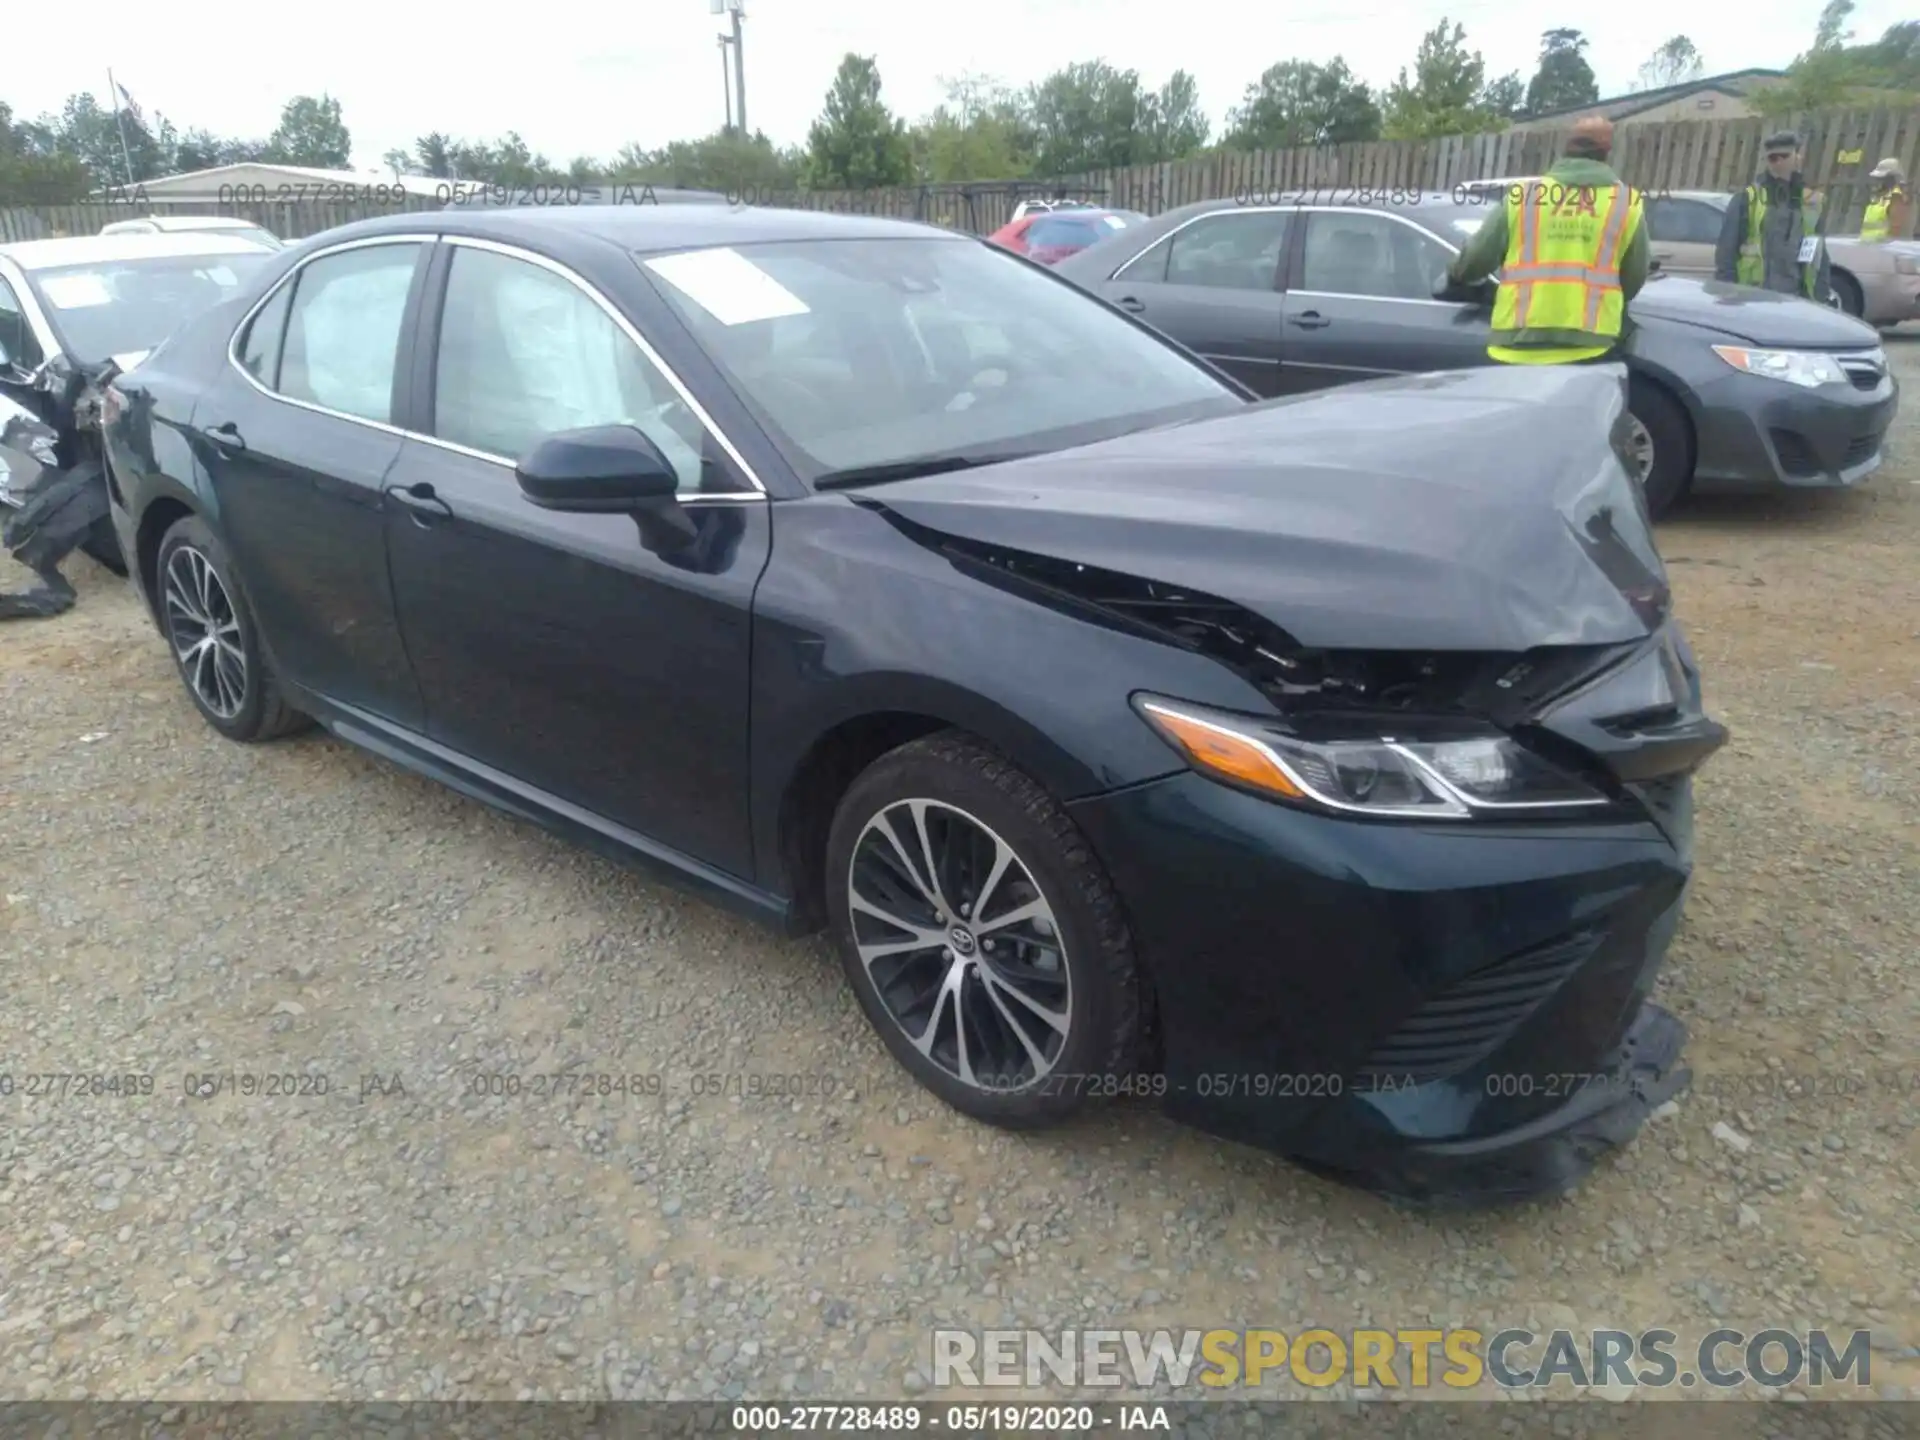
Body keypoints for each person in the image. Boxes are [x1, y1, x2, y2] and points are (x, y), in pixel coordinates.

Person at [1439, 115, 1648, 364]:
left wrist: (1455, 276)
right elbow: (1633, 278)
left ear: (1566, 148)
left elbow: (1476, 260)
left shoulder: (1523, 197)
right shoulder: (1626, 203)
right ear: (1607, 152)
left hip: (1517, 342)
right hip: (1590, 345)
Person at [1714, 131, 1830, 301]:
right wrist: (1726, 291)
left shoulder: (1811, 202)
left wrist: (1821, 296)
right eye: (1772, 158)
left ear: (1797, 157)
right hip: (1753, 295)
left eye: (1784, 156)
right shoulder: (1748, 198)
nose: (1778, 162)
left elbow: (1819, 255)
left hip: (1797, 297)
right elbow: (1726, 250)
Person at [1861, 157, 1913, 243]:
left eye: (1883, 178)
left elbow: (1895, 228)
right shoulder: (1880, 196)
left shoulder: (1896, 197)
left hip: (1882, 249)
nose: (1879, 180)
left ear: (1893, 178)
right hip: (1868, 246)